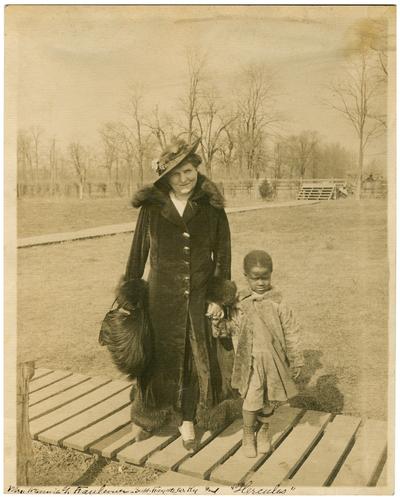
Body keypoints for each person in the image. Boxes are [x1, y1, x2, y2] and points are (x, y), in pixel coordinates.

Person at [123, 137, 239, 451]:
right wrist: (131, 295)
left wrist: (218, 297)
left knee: (193, 361)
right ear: (165, 178)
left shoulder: (211, 206)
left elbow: (223, 254)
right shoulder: (152, 207)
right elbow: (138, 253)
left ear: (196, 169)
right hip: (160, 298)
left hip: (199, 298)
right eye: (176, 174)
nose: (184, 179)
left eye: (188, 171)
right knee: (155, 358)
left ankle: (188, 420)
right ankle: (148, 416)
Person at [214, 250, 304, 458]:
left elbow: (291, 331)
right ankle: (247, 433)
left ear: (271, 274)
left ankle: (263, 430)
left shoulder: (278, 302)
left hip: (274, 361)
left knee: (269, 398)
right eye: (256, 278)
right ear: (246, 276)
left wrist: (296, 359)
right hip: (251, 361)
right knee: (252, 397)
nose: (261, 283)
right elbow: (232, 328)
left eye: (266, 277)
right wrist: (218, 323)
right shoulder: (241, 303)